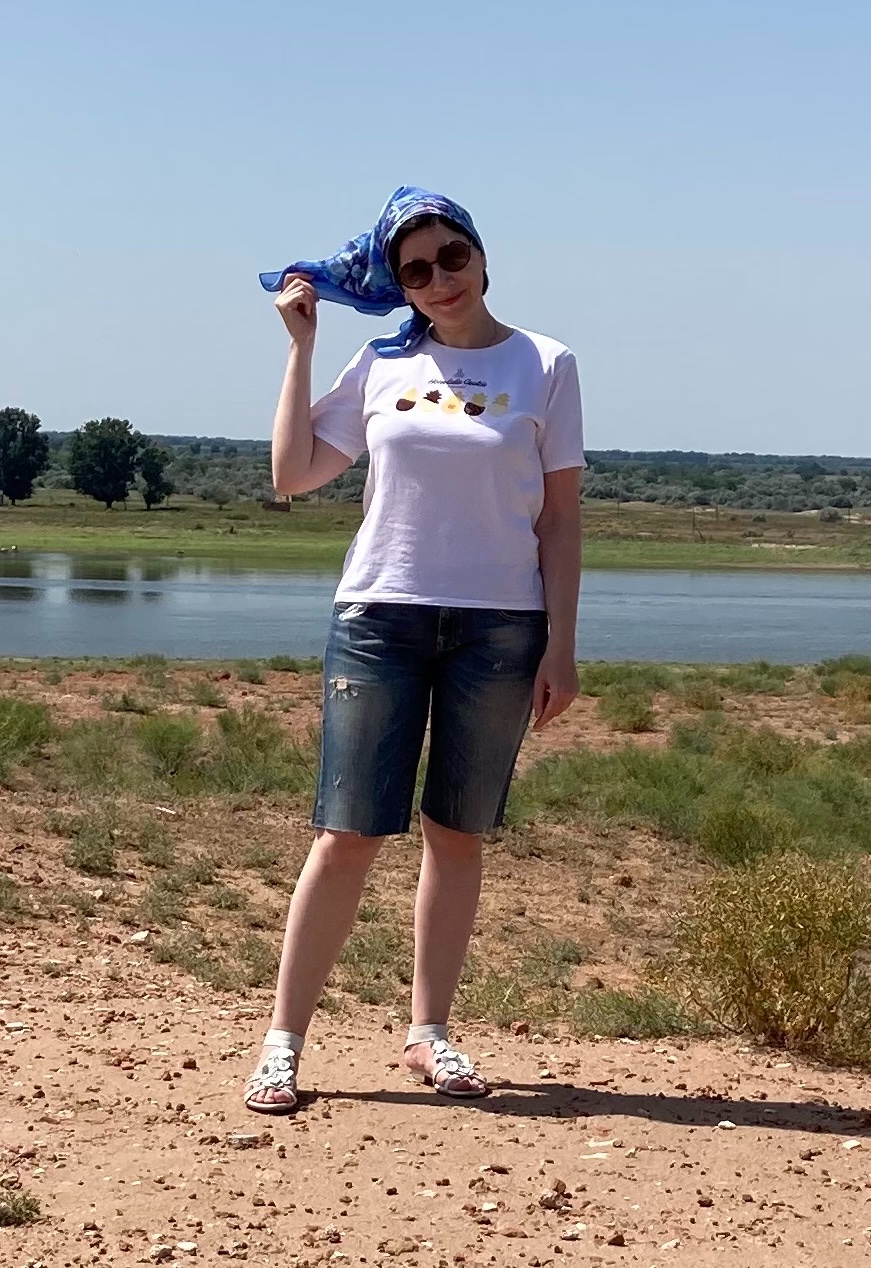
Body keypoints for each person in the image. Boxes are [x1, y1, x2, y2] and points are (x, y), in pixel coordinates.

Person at [245, 186, 584, 1113]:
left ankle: (428, 1035)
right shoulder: (381, 362)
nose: (438, 280)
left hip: (499, 626)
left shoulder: (545, 364)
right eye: (416, 270)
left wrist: (560, 645)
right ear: (399, 285)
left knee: (456, 834)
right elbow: (292, 475)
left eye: (451, 258)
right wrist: (301, 348)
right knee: (347, 833)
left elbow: (559, 521)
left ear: (481, 255)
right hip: (380, 618)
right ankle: (282, 1044)